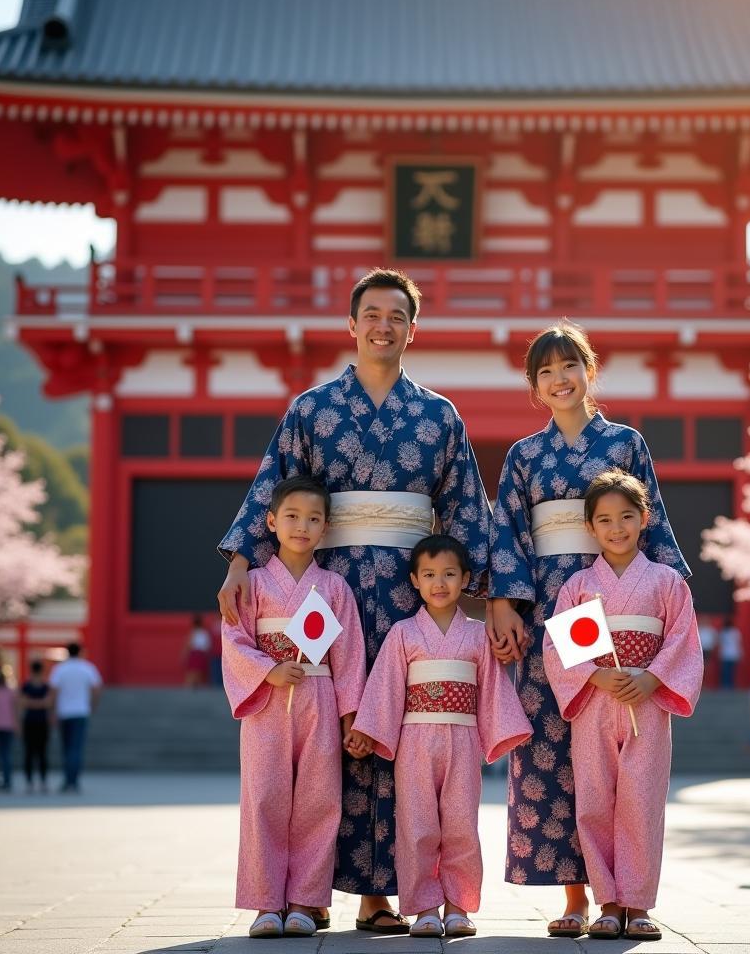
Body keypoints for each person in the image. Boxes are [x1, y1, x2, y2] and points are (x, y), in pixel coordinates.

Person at [218, 268, 490, 933]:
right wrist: (238, 562)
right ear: (352, 324)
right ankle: (308, 893)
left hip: (409, 594)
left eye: (397, 315)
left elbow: (463, 512)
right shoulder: (311, 409)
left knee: (395, 734)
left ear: (412, 329)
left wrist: (492, 596)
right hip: (328, 591)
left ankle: (381, 894)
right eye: (371, 313)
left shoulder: (438, 416)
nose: (383, 325)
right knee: (327, 747)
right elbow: (273, 493)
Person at [487, 322, 688, 938]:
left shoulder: (625, 444)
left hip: (623, 602)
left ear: (589, 369)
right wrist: (503, 604)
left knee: (626, 755)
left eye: (569, 366)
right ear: (534, 386)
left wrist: (673, 598)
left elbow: (650, 520)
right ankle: (579, 895)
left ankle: (626, 895)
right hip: (556, 607)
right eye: (545, 371)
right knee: (554, 754)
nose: (559, 380)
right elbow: (509, 534)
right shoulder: (525, 456)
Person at [543, 470, 702, 942]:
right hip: (595, 699)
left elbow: (683, 641)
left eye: (627, 517)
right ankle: (608, 903)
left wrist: (653, 677)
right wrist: (594, 673)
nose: (617, 528)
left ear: (643, 519)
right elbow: (558, 648)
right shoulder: (576, 585)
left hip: (646, 703)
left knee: (642, 800)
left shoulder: (668, 582)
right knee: (594, 800)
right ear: (590, 527)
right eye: (605, 520)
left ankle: (637, 903)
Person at [353, 535, 531, 939]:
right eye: (430, 575)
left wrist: (504, 731)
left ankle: (458, 905)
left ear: (466, 579)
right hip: (414, 738)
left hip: (463, 735)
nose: (440, 583)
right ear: (414, 580)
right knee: (417, 825)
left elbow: (491, 688)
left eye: (450, 574)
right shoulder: (402, 633)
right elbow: (386, 687)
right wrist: (369, 730)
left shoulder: (478, 635)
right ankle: (424, 908)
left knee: (461, 824)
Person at [222, 475, 367, 939]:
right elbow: (234, 638)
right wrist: (267, 669)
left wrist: (350, 717)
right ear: (271, 521)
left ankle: (306, 901)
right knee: (263, 797)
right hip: (268, 699)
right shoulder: (255, 584)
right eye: (291, 516)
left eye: (313, 519)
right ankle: (266, 903)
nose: (301, 526)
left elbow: (349, 658)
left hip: (320, 697)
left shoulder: (335, 587)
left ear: (325, 528)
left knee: (319, 800)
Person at [49, 641, 103, 793]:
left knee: (66, 748)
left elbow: (53, 692)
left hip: (64, 712)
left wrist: (52, 711)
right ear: (80, 652)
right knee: (76, 748)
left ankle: (67, 779)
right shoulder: (87, 668)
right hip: (80, 711)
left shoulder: (60, 669)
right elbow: (97, 688)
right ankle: (74, 780)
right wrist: (92, 705)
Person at [20, 659, 52, 794]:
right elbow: (23, 702)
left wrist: (31, 703)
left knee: (40, 753)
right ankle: (33, 781)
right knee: (31, 753)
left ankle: (37, 781)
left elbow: (48, 703)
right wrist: (40, 703)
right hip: (34, 721)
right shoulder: (30, 686)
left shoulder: (42, 686)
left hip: (38, 722)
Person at [184, 614, 211, 688]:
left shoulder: (193, 633)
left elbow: (188, 645)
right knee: (200, 673)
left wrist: (184, 656)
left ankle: (189, 689)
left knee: (191, 673)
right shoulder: (205, 633)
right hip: (201, 655)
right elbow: (207, 647)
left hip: (194, 654)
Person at [718, 615, 742, 690]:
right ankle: (730, 685)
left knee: (725, 671)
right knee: (731, 671)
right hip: (734, 653)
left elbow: (720, 643)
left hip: (725, 654)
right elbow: (739, 643)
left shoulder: (723, 632)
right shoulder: (736, 632)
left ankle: (725, 685)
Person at [698, 617, 717, 685]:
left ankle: (704, 682)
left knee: (705, 666)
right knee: (699, 667)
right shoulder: (698, 628)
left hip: (708, 649)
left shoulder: (711, 630)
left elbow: (715, 639)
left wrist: (713, 646)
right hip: (700, 650)